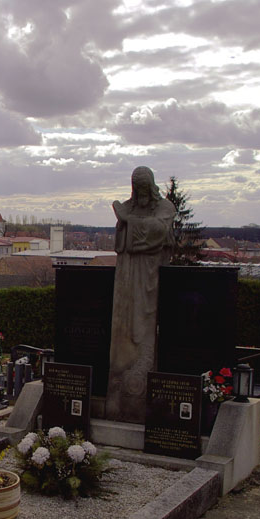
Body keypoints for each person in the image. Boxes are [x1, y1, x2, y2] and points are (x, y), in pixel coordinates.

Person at [106, 166, 176, 422]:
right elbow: (120, 242)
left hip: (151, 273)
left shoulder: (164, 207)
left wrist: (128, 221)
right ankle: (119, 385)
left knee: (146, 320)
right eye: (137, 189)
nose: (141, 194)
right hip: (127, 276)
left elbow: (159, 231)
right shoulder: (128, 207)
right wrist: (123, 222)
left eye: (145, 188)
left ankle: (142, 379)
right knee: (124, 322)